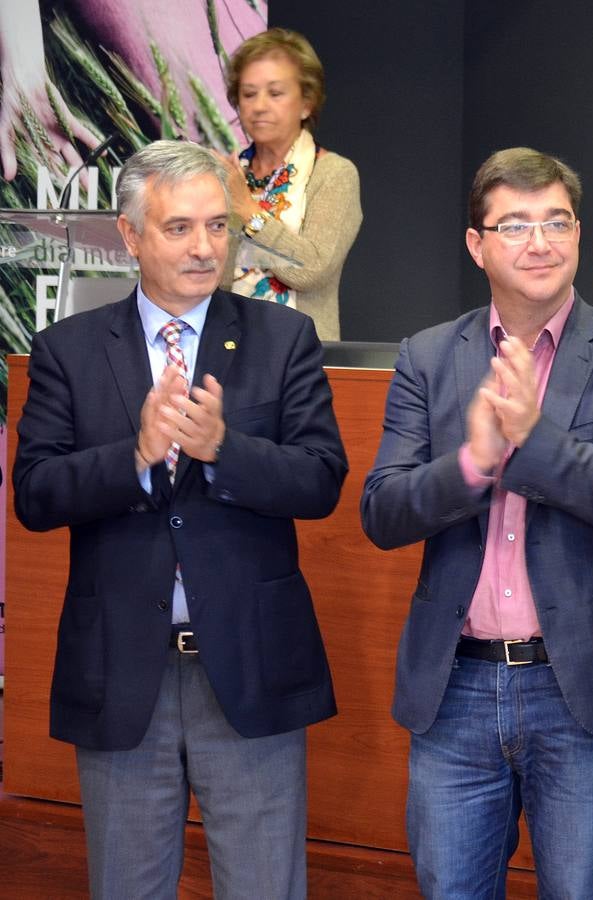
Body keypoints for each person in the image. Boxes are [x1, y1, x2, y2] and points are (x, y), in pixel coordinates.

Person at [11, 139, 347, 899]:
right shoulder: (66, 350)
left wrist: (224, 449)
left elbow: (321, 479)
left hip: (250, 670)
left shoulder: (281, 338)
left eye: (218, 227)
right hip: (124, 674)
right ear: (130, 235)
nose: (205, 249)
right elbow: (34, 494)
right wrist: (135, 455)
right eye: (179, 229)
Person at [360, 147, 593, 899]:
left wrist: (534, 443)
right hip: (457, 687)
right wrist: (471, 463)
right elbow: (382, 511)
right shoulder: (430, 356)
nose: (540, 242)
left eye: (556, 222)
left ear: (577, 233)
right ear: (477, 245)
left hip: (580, 686)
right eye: (515, 225)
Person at [214, 27, 362, 341]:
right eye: (249, 94)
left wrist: (248, 211)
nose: (259, 106)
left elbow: (311, 269)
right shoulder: (227, 174)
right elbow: (212, 275)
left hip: (303, 357)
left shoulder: (334, 174)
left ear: (306, 103)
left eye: (275, 93)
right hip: (227, 348)